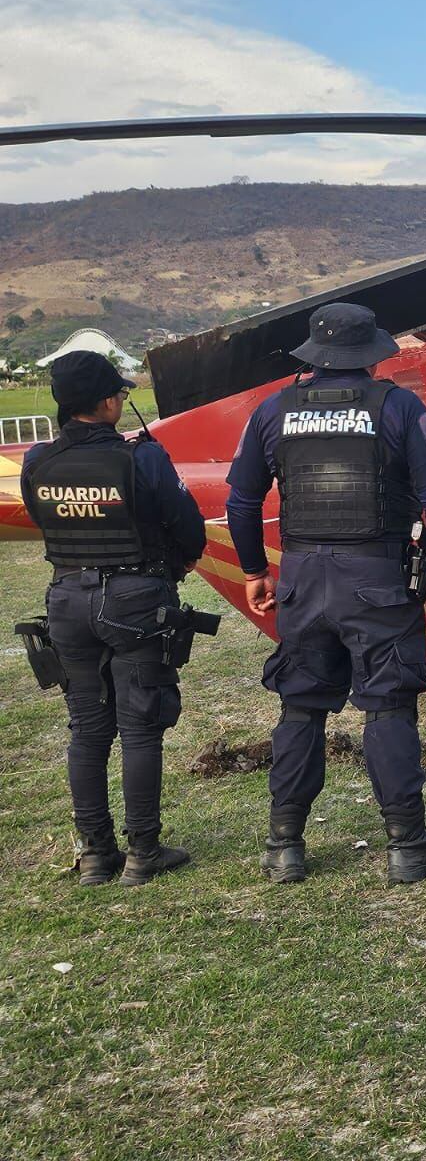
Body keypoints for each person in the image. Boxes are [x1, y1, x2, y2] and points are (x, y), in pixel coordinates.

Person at [226, 303, 426, 884]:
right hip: (379, 581)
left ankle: (285, 845)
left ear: (315, 354)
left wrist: (256, 570)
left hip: (303, 581)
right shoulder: (401, 407)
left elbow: (241, 502)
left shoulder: (272, 411)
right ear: (372, 356)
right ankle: (408, 846)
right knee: (387, 703)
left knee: (301, 705)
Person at [20, 351, 205, 886]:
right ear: (105, 401)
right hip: (134, 597)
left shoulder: (37, 461)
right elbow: (187, 525)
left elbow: (43, 518)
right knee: (140, 726)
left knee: (88, 728)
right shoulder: (142, 459)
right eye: (120, 395)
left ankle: (97, 856)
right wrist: (176, 562)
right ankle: (144, 850)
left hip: (67, 599)